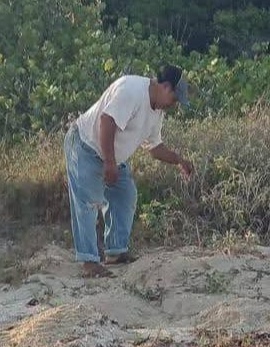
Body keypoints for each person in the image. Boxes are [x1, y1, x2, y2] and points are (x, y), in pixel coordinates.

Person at [64, 65, 194, 277]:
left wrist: (179, 160)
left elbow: (155, 148)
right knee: (88, 202)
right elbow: (107, 121)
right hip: (85, 145)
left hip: (110, 155)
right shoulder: (131, 90)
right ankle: (89, 263)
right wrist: (109, 162)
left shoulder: (157, 111)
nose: (174, 104)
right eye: (174, 98)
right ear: (165, 86)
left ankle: (115, 252)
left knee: (125, 193)